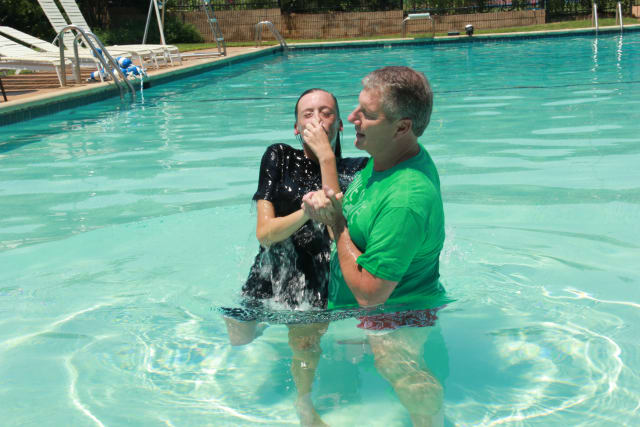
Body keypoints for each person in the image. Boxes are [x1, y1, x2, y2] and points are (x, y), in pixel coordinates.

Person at [302, 66, 446, 426]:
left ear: (402, 127)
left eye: (366, 114)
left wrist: (335, 225)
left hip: (398, 317)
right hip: (370, 313)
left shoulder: (405, 198)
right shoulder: (385, 160)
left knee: (404, 375)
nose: (352, 118)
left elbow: (370, 295)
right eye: (357, 108)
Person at [222, 88, 367, 426]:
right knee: (238, 337)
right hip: (273, 270)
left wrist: (327, 160)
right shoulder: (278, 156)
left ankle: (304, 403)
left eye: (326, 112)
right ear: (296, 126)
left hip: (318, 278)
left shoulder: (358, 168)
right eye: (308, 114)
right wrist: (305, 211)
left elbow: (336, 234)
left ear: (340, 124)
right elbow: (265, 233)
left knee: (303, 341)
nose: (317, 120)